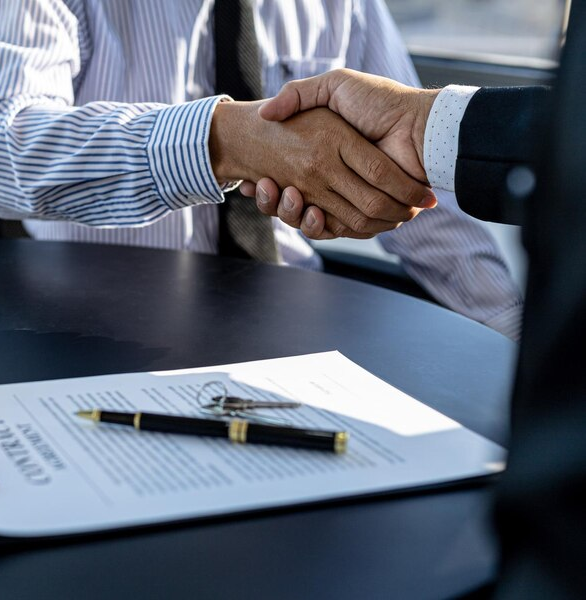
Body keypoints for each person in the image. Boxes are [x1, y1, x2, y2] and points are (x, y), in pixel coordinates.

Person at [246, 7, 586, 593]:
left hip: (306, 351)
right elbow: (24, 141)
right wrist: (220, 137)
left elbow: (429, 211)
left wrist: (510, 342)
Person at [0, 0, 522, 340]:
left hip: (298, 328)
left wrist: (514, 333)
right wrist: (224, 141)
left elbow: (421, 185)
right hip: (89, 332)